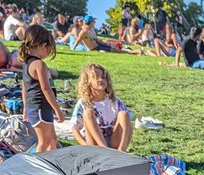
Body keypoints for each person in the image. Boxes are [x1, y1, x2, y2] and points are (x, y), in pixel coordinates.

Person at [21, 25, 64, 153]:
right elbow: (46, 89)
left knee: (52, 140)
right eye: (49, 49)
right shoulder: (38, 64)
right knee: (44, 142)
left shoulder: (27, 63)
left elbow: (24, 87)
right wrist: (58, 110)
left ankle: (52, 165)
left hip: (37, 107)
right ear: (44, 46)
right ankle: (36, 168)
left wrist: (25, 107)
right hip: (40, 107)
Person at [71, 63, 132, 152]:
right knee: (88, 112)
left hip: (113, 141)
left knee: (124, 114)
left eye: (103, 77)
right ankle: (104, 149)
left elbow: (129, 127)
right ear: (87, 82)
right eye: (96, 77)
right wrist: (85, 146)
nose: (100, 79)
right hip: (95, 144)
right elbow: (74, 129)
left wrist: (124, 145)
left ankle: (121, 151)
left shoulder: (114, 101)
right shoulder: (84, 102)